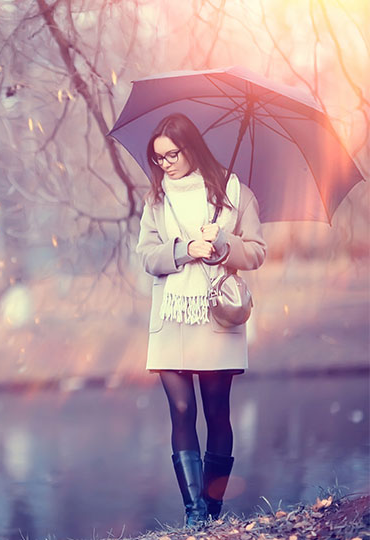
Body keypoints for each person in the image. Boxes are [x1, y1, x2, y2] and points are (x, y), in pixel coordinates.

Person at [135, 113, 266, 527]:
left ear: (191, 147)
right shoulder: (156, 201)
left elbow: (257, 252)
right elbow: (146, 255)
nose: (165, 164)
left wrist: (222, 244)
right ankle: (195, 517)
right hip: (171, 318)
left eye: (172, 154)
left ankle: (213, 510)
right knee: (180, 408)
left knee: (217, 413)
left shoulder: (234, 194)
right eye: (158, 158)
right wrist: (185, 248)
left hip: (216, 319)